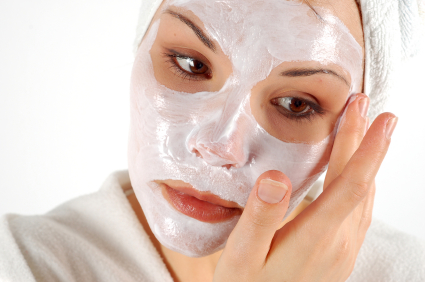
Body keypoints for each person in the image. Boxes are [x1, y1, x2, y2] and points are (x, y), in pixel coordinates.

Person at [1, 0, 424, 281]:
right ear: (140, 46)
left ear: (354, 134)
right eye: (191, 63)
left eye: (296, 103)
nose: (221, 145)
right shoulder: (22, 263)